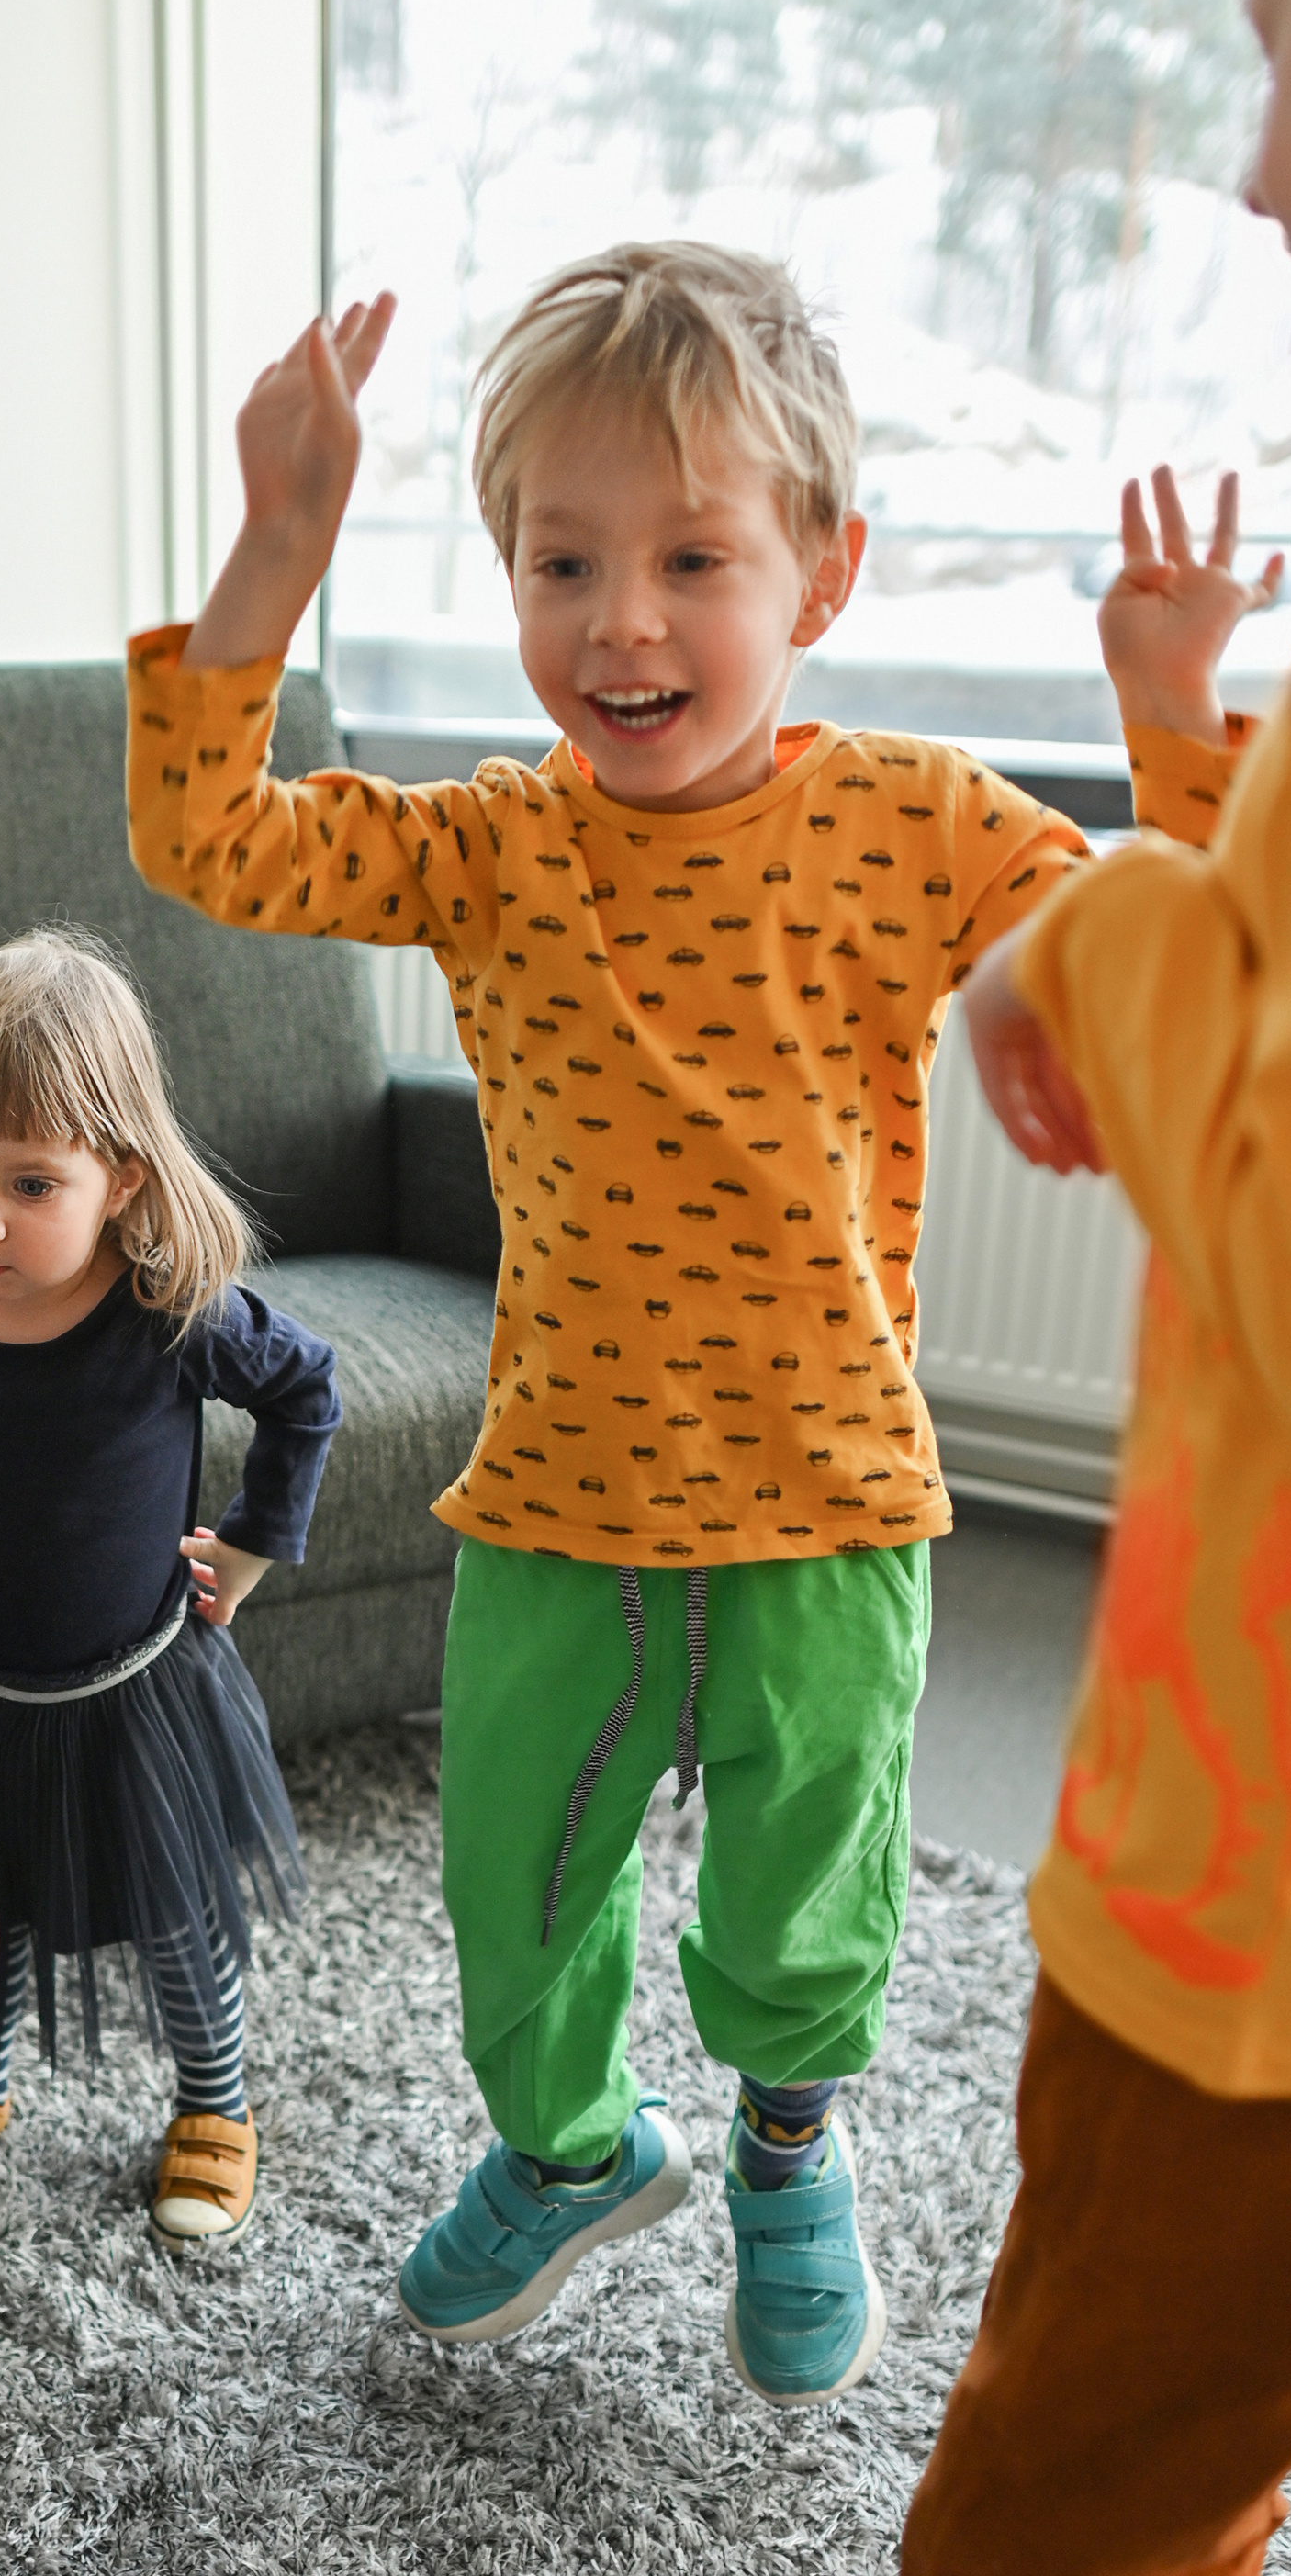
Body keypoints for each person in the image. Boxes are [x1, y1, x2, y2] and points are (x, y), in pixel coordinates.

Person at [654, 0, 1291, 2576]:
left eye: (1278, 35)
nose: (1249, 156)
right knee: (1134, 2397)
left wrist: (1095, 932)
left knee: (1081, 2450)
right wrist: (1200, 786)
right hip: (1281, 1810)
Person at [126, 252, 1086, 2399]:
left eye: (688, 561)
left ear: (820, 573)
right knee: (516, 1889)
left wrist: (1184, 731)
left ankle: (782, 2144)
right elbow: (209, 837)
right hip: (560, 1497)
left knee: (802, 1891)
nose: (618, 622)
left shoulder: (911, 818)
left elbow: (1164, 951)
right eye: (560, 563)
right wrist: (275, 548)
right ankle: (570, 2152)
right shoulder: (490, 844)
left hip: (826, 1501)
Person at [0, 929, 340, 2244]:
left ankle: (215, 2101)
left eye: (31, 1183)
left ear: (120, 1179)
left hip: (134, 1685)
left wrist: (253, 1541)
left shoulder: (167, 1315)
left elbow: (306, 1390)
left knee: (175, 1913)